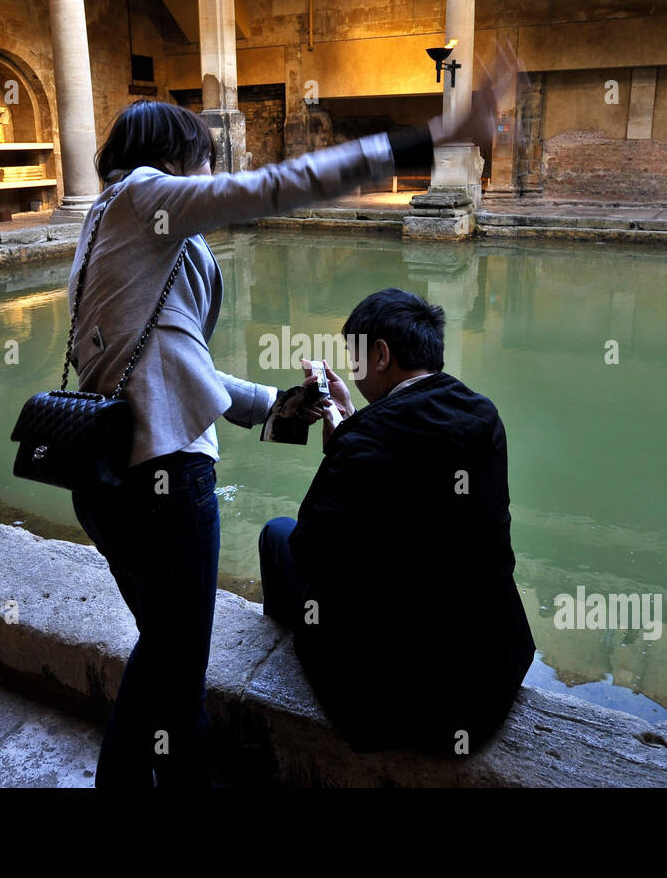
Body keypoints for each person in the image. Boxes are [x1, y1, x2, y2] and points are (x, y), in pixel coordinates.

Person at [67, 42, 518, 788]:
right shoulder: (147, 198)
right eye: (204, 158)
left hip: (109, 478)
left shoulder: (110, 226)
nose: (213, 175)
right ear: (172, 159)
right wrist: (436, 135)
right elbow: (282, 184)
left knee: (165, 660)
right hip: (163, 482)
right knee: (176, 676)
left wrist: (279, 407)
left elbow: (175, 366)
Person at [258, 290, 535, 754]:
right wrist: (353, 428)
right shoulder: (482, 414)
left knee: (278, 536)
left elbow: (313, 551)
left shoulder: (363, 439)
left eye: (355, 356)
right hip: (489, 682)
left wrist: (346, 437)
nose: (352, 370)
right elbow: (411, 482)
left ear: (381, 354)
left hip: (400, 707)